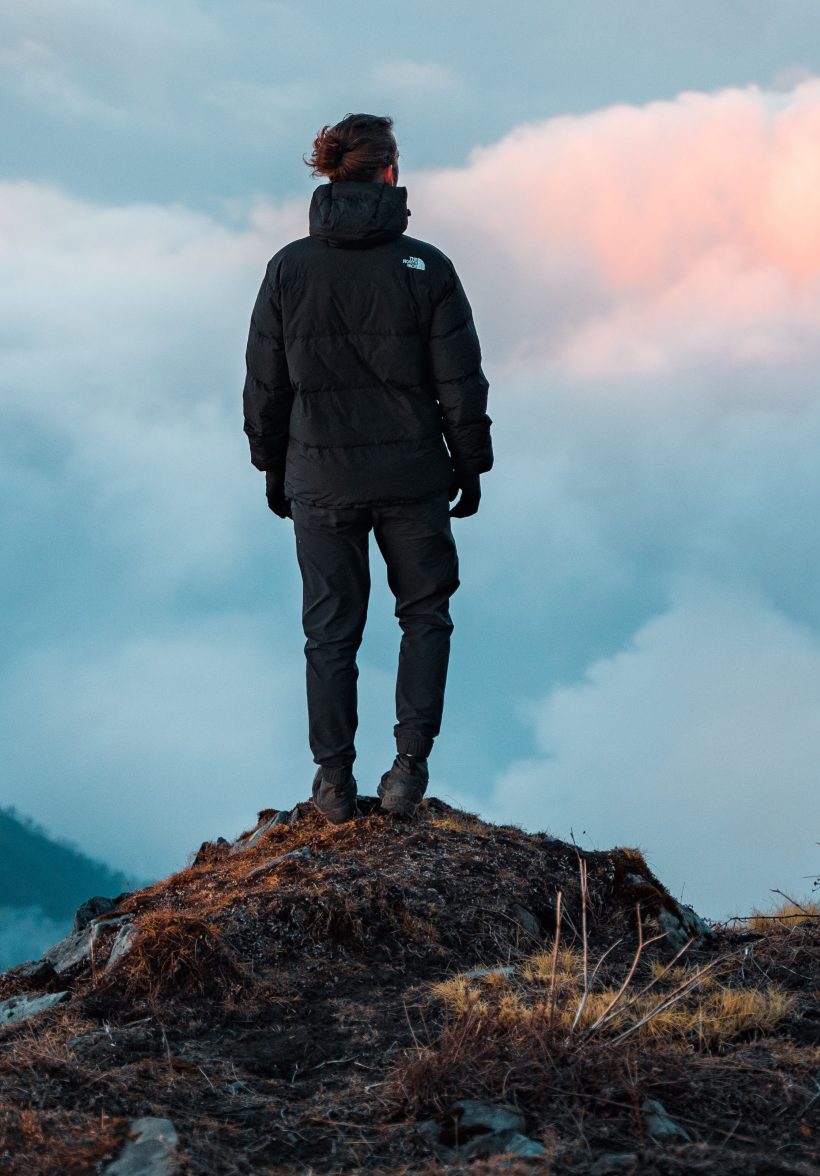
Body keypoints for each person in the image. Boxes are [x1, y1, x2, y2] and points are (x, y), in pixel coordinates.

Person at [243, 113, 492, 822]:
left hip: (318, 480)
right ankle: (407, 772)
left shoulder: (289, 268)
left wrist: (271, 464)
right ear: (389, 172)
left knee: (329, 632)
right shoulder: (427, 267)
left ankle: (331, 783)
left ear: (330, 175)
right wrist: (470, 462)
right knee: (425, 615)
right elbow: (461, 381)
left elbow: (266, 381)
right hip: (413, 479)